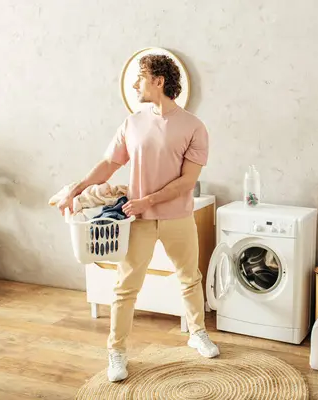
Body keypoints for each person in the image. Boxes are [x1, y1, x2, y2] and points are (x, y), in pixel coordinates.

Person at [56, 54, 219, 382]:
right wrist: (79, 186)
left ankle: (197, 333)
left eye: (140, 78)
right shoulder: (132, 123)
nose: (134, 85)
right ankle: (116, 352)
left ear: (159, 81)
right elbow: (109, 164)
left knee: (189, 277)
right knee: (126, 287)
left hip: (177, 218)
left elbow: (188, 181)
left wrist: (146, 200)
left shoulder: (194, 127)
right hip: (139, 221)